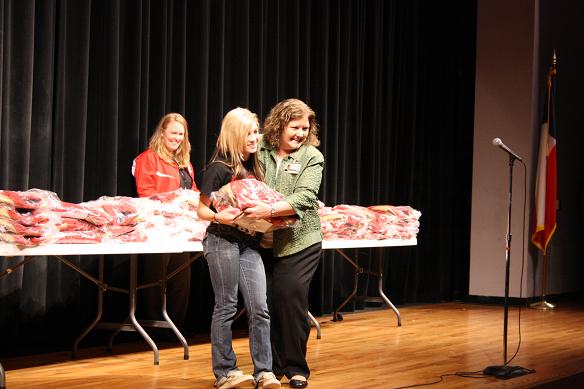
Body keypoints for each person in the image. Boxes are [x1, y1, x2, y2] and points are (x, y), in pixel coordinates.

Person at [197, 107, 281, 389]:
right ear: (235, 134)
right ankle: (225, 372)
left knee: (259, 306)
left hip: (248, 243)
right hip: (221, 240)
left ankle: (264, 371)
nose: (254, 137)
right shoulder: (219, 168)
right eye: (248, 132)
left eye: (256, 131)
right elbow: (201, 211)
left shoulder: (255, 167)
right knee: (226, 306)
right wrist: (219, 215)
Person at [245, 99, 324, 388]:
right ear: (280, 124)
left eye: (306, 128)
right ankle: (270, 367)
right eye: (295, 127)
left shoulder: (312, 156)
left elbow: (304, 198)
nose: (301, 133)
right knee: (264, 304)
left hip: (299, 241)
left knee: (289, 299)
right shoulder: (260, 145)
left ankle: (296, 368)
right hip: (260, 240)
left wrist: (269, 210)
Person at [132, 112, 198, 328]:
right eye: (173, 132)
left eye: (181, 134)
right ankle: (153, 326)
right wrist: (174, 204)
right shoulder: (148, 158)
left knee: (181, 279)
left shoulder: (185, 163)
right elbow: (146, 194)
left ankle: (176, 327)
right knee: (155, 277)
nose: (177, 137)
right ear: (162, 132)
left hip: (183, 231)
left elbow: (193, 191)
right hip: (157, 230)